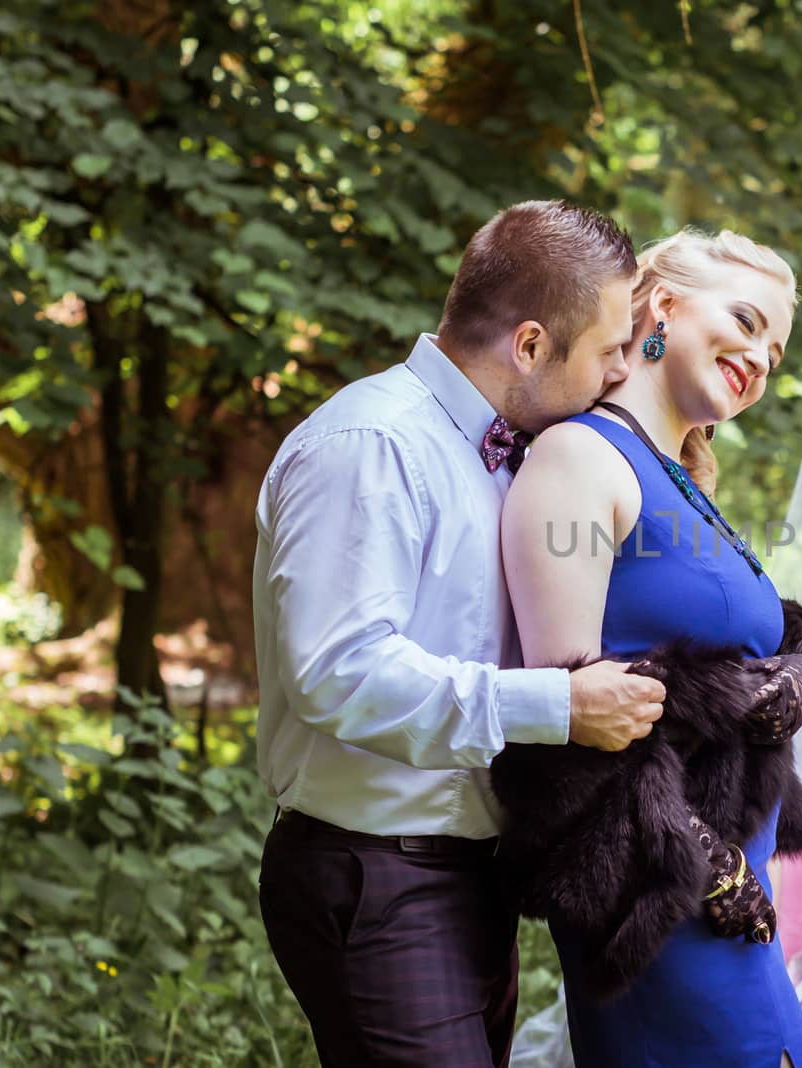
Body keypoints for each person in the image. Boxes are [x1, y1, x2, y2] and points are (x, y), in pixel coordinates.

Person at [252, 200, 667, 1068]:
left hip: (471, 874)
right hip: (376, 875)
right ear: (528, 345)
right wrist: (559, 704)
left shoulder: (510, 455)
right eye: (607, 351)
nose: (619, 374)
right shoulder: (371, 444)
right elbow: (339, 671)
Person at [500, 229, 802, 1067]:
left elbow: (736, 645)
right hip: (656, 892)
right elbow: (570, 716)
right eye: (746, 321)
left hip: (737, 892)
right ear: (665, 307)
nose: (758, 357)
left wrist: (800, 668)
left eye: (775, 352)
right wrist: (704, 864)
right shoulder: (579, 458)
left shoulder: (679, 476)